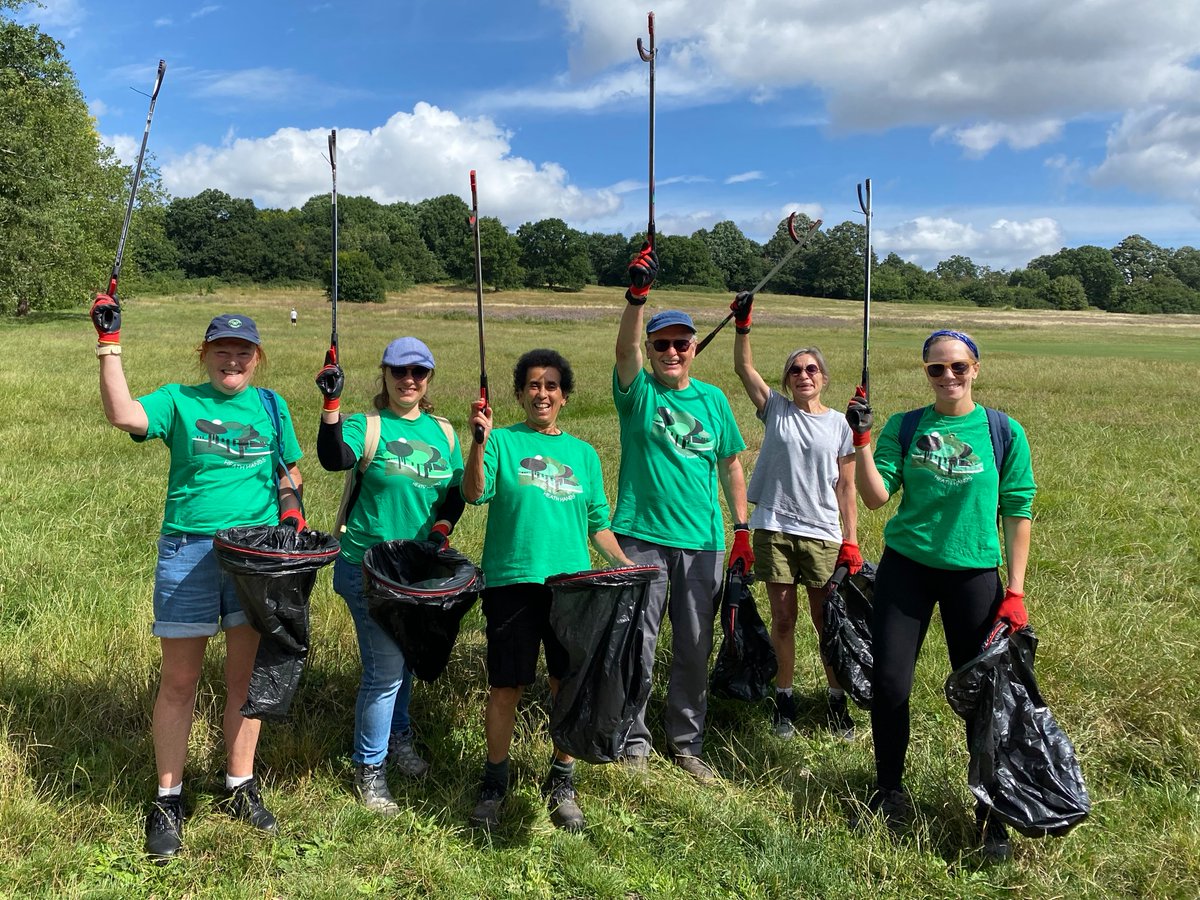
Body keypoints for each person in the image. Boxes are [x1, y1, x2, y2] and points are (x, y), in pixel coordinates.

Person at [93, 301, 304, 863]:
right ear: (204, 354)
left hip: (253, 559)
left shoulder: (271, 405)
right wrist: (109, 344)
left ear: (256, 358)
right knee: (180, 681)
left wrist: (292, 514)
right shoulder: (178, 399)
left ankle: (240, 785)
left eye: (242, 351)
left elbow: (289, 473)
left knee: (244, 682)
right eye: (221, 349)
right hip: (188, 551)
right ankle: (167, 799)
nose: (231, 359)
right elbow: (123, 415)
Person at [845, 329, 1035, 862]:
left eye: (958, 367)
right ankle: (889, 790)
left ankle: (991, 812)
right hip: (907, 568)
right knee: (888, 684)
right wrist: (861, 443)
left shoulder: (1002, 431)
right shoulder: (906, 427)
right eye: (936, 369)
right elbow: (878, 497)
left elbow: (1018, 510)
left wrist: (1014, 590)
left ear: (976, 368)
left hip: (973, 573)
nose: (948, 377)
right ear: (925, 372)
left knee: (983, 699)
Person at [462, 349, 634, 832]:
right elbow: (475, 493)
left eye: (552, 385)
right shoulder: (501, 442)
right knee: (505, 687)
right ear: (519, 393)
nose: (542, 393)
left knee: (567, 685)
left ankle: (562, 778)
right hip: (512, 580)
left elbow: (597, 523)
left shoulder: (583, 454)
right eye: (533, 385)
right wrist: (478, 442)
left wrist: (625, 566)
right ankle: (495, 781)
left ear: (564, 396)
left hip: (570, 587)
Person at [611, 245, 751, 783]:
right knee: (638, 640)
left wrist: (741, 528)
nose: (671, 352)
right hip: (641, 537)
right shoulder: (637, 392)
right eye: (662, 344)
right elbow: (624, 349)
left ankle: (687, 743)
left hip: (703, 540)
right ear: (652, 349)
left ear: (694, 349)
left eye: (681, 344)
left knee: (695, 646)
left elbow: (732, 464)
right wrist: (636, 297)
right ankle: (632, 738)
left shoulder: (714, 401)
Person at [315, 337, 465, 815]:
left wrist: (442, 528)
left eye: (419, 372)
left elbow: (457, 490)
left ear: (429, 379)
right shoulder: (368, 425)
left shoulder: (443, 431)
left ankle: (397, 739)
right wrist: (331, 404)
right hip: (367, 568)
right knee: (385, 672)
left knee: (406, 660)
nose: (409, 380)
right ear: (384, 374)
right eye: (399, 371)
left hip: (416, 573)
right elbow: (333, 457)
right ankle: (370, 769)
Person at [729, 291, 861, 740]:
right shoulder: (776, 411)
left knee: (827, 621)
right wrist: (743, 326)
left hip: (823, 533)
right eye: (795, 370)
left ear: (823, 377)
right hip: (776, 530)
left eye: (811, 369)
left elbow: (847, 487)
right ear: (786, 380)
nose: (803, 375)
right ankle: (784, 698)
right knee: (783, 620)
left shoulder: (841, 425)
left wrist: (851, 539)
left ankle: (836, 699)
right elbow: (744, 370)